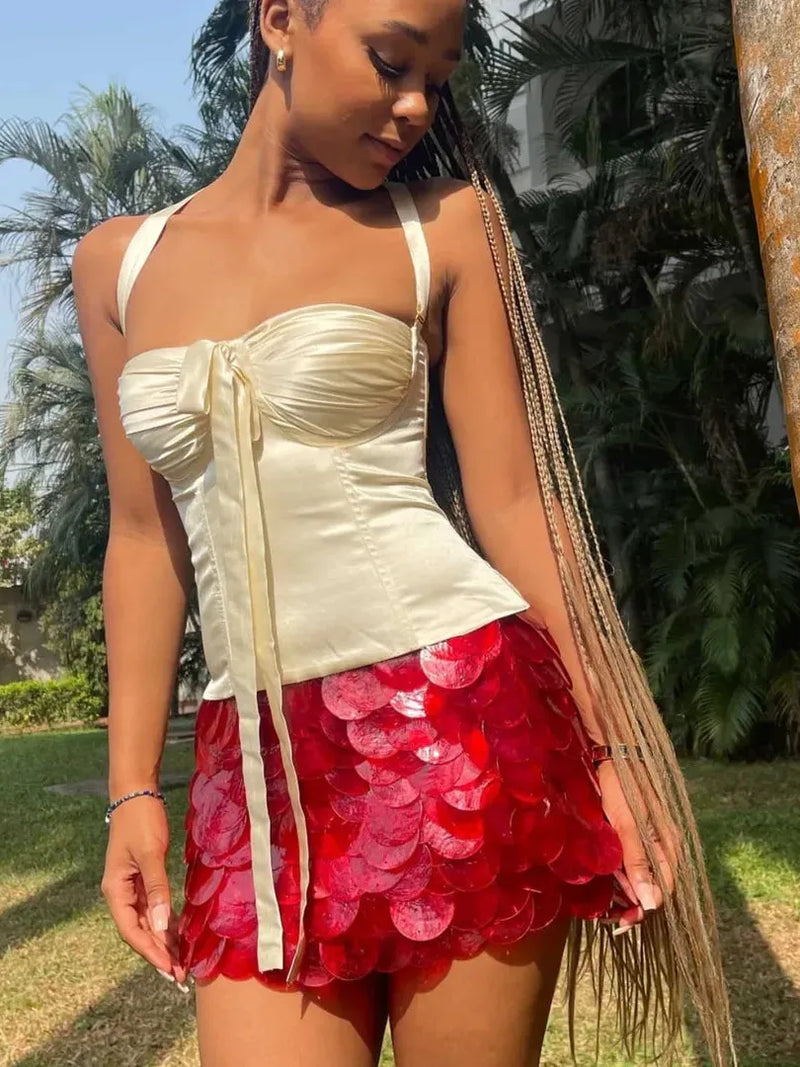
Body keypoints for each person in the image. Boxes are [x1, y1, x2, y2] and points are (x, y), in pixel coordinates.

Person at [71, 1, 737, 1065]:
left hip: (454, 724)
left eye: (438, 75)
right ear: (281, 20)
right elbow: (146, 541)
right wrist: (132, 788)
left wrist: (617, 746)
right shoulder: (118, 264)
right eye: (390, 62)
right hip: (252, 773)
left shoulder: (444, 227)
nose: (417, 105)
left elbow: (514, 503)